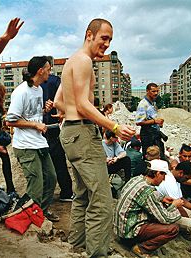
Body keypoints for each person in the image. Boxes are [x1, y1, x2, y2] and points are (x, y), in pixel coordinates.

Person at [53, 18, 135, 257]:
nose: (107, 44)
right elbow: (82, 103)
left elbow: (60, 100)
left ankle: (76, 246)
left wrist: (68, 112)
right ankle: (96, 253)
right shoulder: (84, 61)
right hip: (81, 132)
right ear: (90, 34)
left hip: (70, 132)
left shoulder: (72, 60)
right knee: (101, 201)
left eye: (110, 40)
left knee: (82, 194)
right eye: (104, 38)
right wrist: (115, 126)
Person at [5, 56, 59, 222]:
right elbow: (10, 120)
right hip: (25, 145)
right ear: (40, 71)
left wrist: (45, 110)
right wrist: (36, 126)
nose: (50, 73)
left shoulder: (39, 89)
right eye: (48, 69)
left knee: (51, 178)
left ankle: (39, 213)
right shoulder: (21, 91)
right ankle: (29, 220)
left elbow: (32, 115)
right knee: (36, 185)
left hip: (39, 142)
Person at [114, 159, 182, 258]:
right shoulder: (147, 191)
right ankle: (141, 249)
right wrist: (174, 206)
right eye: (163, 175)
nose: (163, 179)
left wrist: (162, 199)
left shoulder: (136, 179)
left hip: (121, 227)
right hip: (128, 232)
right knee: (173, 229)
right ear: (158, 173)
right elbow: (165, 219)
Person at [41, 70, 74, 202]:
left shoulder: (31, 84)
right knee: (59, 160)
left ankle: (44, 192)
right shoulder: (55, 81)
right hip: (53, 125)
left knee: (43, 163)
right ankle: (66, 191)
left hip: (39, 127)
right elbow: (66, 97)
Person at [135, 83, 166, 160]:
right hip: (148, 135)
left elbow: (151, 118)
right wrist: (155, 121)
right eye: (153, 91)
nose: (156, 93)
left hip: (155, 134)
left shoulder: (153, 103)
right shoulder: (143, 104)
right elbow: (139, 122)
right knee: (149, 157)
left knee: (160, 155)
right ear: (147, 91)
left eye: (157, 91)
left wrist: (158, 123)